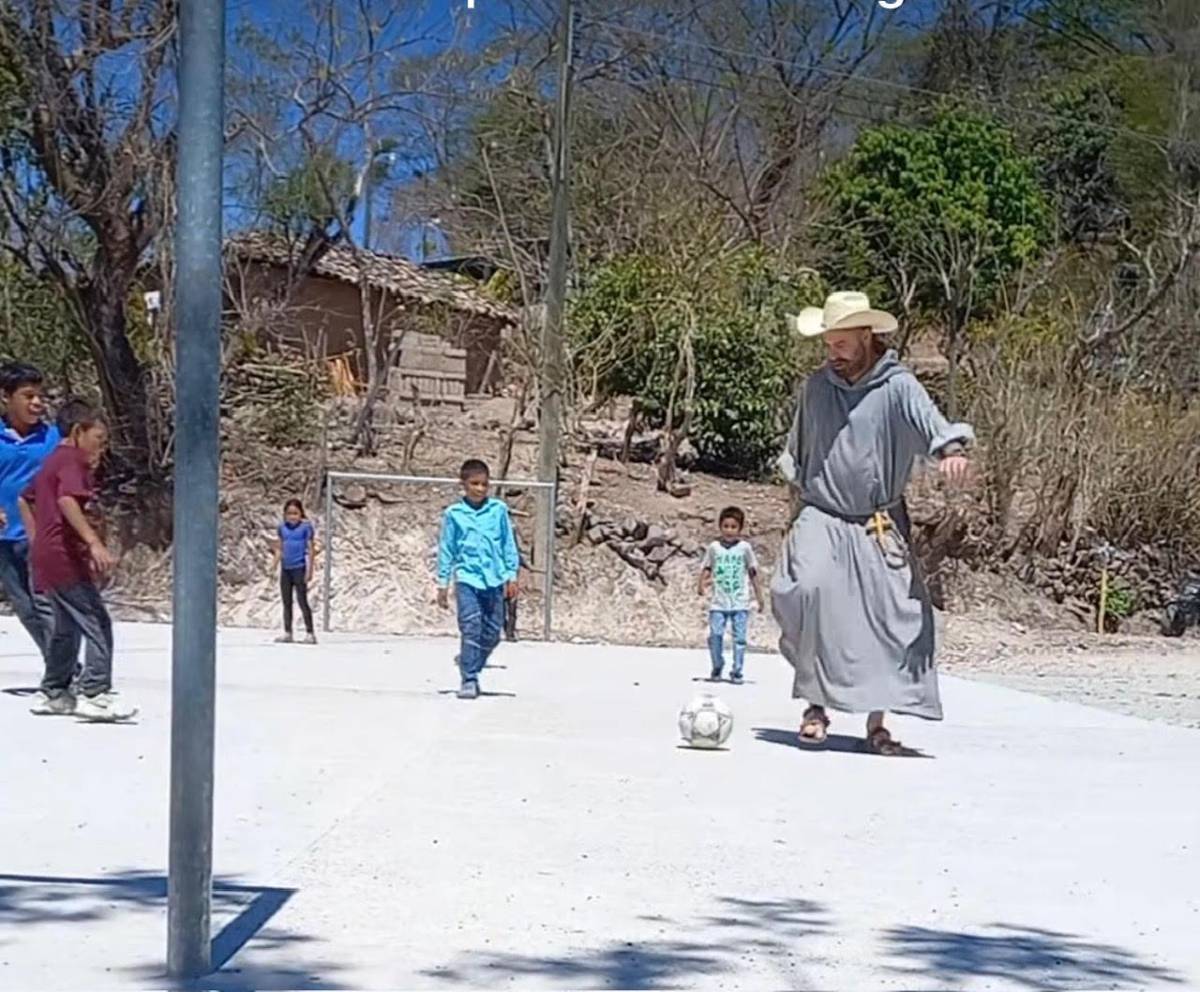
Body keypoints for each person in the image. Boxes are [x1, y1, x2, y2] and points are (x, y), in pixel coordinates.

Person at [773, 291, 972, 755]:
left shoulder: (897, 386)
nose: (832, 353)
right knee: (805, 591)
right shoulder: (817, 387)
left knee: (892, 618)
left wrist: (951, 450)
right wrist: (795, 511)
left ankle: (877, 723)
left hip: (877, 521)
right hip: (821, 512)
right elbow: (799, 452)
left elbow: (930, 421)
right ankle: (815, 705)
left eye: (841, 343)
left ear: (867, 337)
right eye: (828, 343)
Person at [20, 399, 137, 721]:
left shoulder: (53, 461)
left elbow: (24, 499)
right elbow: (67, 499)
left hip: (48, 555)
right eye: (99, 438)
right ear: (78, 431)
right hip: (64, 557)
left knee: (66, 626)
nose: (102, 446)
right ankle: (95, 693)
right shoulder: (71, 460)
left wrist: (37, 541)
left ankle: (55, 692)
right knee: (97, 621)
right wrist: (93, 542)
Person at [436, 458, 519, 699]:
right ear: (463, 484)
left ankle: (471, 660)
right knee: (471, 626)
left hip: (494, 579)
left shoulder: (498, 510)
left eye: (484, 484)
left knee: (492, 632)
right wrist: (443, 582)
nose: (480, 489)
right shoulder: (454, 514)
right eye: (475, 484)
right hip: (467, 578)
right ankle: (469, 678)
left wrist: (511, 575)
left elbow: (507, 544)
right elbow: (447, 548)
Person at [0, 362, 59, 655]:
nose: (36, 402)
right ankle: (60, 666)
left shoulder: (53, 439)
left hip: (43, 536)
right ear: (5, 398)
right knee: (25, 608)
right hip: (4, 539)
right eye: (28, 396)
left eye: (40, 396)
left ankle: (62, 676)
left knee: (46, 604)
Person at [698, 505, 763, 684]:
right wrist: (701, 584)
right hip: (718, 602)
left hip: (740, 602)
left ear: (740, 528)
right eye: (726, 526)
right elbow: (707, 567)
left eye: (733, 527)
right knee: (715, 635)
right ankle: (717, 665)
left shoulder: (745, 548)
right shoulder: (714, 547)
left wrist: (759, 596)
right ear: (720, 526)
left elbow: (753, 572)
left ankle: (737, 671)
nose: (729, 530)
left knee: (739, 638)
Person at [272, 498, 318, 645]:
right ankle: (287, 632)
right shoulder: (282, 528)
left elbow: (310, 550)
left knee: (302, 600)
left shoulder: (306, 528)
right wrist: (274, 564)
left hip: (299, 568)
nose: (292, 517)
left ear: (301, 514)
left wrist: (310, 570)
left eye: (295, 513)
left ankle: (310, 633)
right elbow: (280, 548)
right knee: (286, 602)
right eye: (289, 513)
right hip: (286, 569)